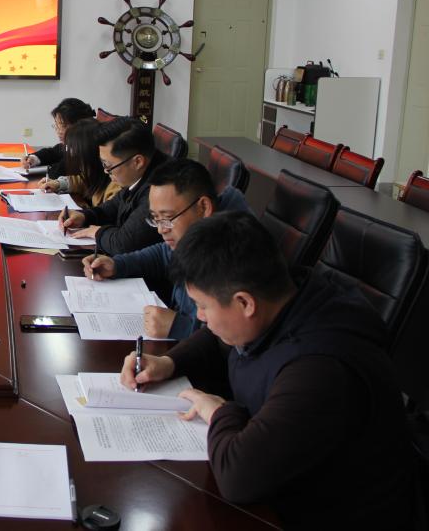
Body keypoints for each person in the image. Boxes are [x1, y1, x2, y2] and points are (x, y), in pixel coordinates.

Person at [121, 212, 422, 528]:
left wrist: (220, 412)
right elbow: (218, 338)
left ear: (245, 303)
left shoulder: (319, 370)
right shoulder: (285, 295)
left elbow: (238, 478)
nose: (200, 317)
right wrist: (169, 362)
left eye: (203, 306)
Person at [83, 159, 249, 338]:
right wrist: (117, 265)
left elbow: (232, 340)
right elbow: (164, 254)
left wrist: (180, 327)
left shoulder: (233, 254)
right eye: (155, 218)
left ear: (203, 207)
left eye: (168, 218)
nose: (161, 229)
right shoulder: (196, 235)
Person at [60, 117, 168, 255]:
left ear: (137, 162)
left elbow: (123, 244)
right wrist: (85, 217)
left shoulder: (160, 189)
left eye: (108, 165)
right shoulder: (138, 174)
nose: (106, 171)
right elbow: (114, 206)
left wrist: (97, 232)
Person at [21, 97, 95, 181]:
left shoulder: (86, 149)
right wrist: (33, 158)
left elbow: (56, 173)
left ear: (79, 127)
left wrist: (49, 169)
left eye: (63, 126)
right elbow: (54, 152)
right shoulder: (72, 144)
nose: (58, 131)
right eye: (56, 125)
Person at [55, 119, 120, 208]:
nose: (72, 154)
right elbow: (82, 181)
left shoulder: (115, 186)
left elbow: (106, 213)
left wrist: (85, 214)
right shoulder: (95, 175)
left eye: (74, 150)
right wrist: (58, 184)